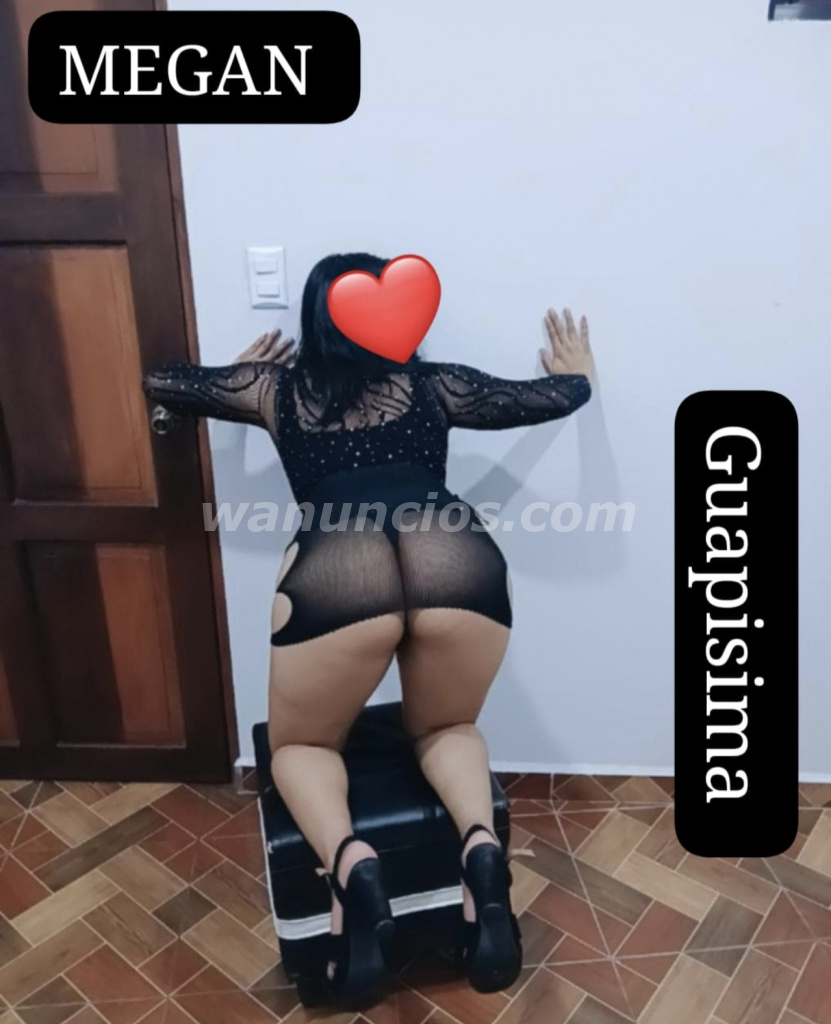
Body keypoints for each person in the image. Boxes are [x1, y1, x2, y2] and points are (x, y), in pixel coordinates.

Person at [143, 252, 594, 1009]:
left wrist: (233, 373)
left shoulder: (273, 388)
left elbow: (164, 381)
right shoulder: (433, 384)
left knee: (301, 746)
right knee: (446, 726)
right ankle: (481, 855)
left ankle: (353, 868)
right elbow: (541, 399)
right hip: (453, 549)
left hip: (338, 561)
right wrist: (579, 377)